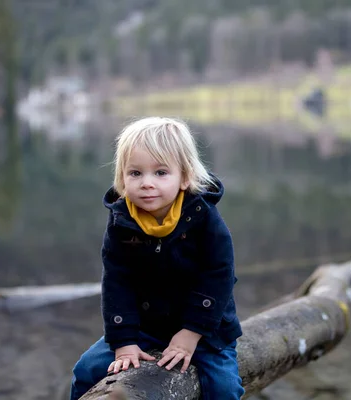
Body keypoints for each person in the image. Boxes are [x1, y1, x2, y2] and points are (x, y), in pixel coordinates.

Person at [70, 117, 244, 400]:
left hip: (205, 332)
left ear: (185, 177)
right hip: (145, 328)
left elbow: (219, 277)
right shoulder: (122, 221)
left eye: (161, 173)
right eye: (135, 173)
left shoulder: (204, 218)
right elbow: (117, 281)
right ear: (122, 179)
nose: (147, 183)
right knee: (86, 370)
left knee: (223, 389)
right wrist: (124, 341)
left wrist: (190, 334)